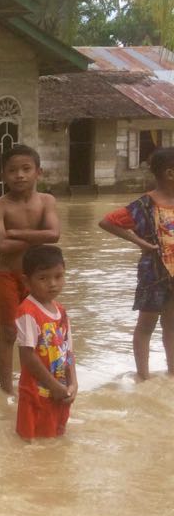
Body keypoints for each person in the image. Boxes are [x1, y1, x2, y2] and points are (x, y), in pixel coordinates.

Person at [0, 144, 60, 394]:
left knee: (41, 333)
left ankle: (38, 384)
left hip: (37, 279)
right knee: (8, 332)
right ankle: (6, 390)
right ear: (3, 175)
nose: (19, 175)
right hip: (7, 276)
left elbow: (54, 234)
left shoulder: (46, 201)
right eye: (12, 170)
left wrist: (17, 232)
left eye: (26, 169)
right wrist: (37, 237)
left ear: (38, 172)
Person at [98, 146, 174, 379]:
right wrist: (140, 242)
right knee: (146, 325)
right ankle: (143, 376)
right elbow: (108, 222)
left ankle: (171, 374)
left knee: (171, 326)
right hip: (153, 274)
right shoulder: (144, 205)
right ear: (169, 173)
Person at [13, 245, 76, 440]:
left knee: (55, 441)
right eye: (43, 278)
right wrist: (54, 386)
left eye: (58, 276)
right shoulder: (27, 312)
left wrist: (73, 382)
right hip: (35, 394)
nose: (52, 284)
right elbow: (27, 356)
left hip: (59, 390)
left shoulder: (61, 311)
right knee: (30, 444)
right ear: (27, 281)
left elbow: (69, 351)